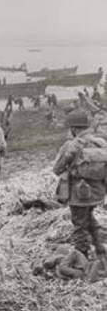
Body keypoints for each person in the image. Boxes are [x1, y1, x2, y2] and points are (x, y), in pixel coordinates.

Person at [53, 109, 107, 271]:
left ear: (73, 128)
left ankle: (81, 258)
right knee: (89, 219)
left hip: (79, 193)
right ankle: (100, 249)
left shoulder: (72, 145)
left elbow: (57, 169)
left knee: (79, 225)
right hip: (97, 192)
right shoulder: (101, 143)